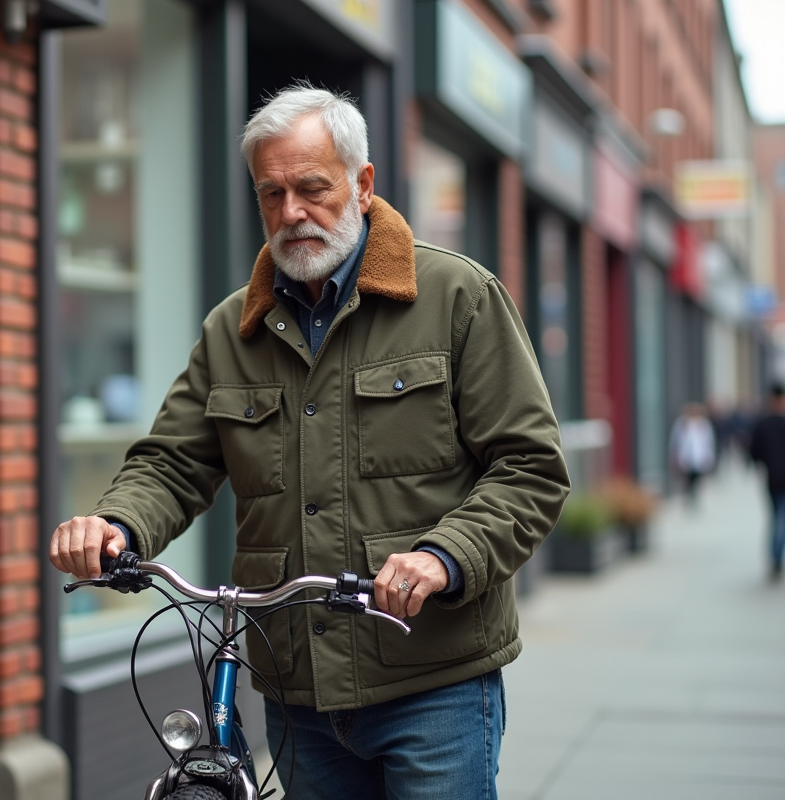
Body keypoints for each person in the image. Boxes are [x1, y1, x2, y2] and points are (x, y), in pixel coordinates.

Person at [48, 85, 570, 799]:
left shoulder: (458, 297)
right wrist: (115, 524)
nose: (291, 213)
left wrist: (445, 556)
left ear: (361, 183)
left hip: (433, 683)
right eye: (271, 194)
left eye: (312, 188)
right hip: (297, 693)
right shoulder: (233, 328)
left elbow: (530, 468)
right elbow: (173, 461)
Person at [748, 385, 785, 580]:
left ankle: (774, 557)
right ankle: (776, 556)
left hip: (772, 477)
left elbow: (754, 452)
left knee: (776, 517)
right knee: (781, 518)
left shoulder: (763, 424)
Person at [668, 403, 716, 505]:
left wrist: (709, 457)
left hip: (698, 457)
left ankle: (694, 496)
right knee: (687, 479)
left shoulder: (703, 424)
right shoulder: (681, 423)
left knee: (696, 478)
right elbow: (675, 441)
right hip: (685, 457)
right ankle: (689, 496)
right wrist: (674, 455)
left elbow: (708, 441)